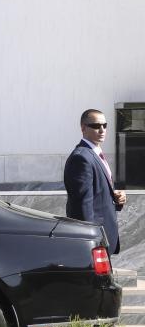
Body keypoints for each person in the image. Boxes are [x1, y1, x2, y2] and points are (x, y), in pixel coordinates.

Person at [64, 109, 127, 255]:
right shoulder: (81, 158)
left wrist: (116, 197)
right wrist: (92, 242)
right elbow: (82, 206)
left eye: (105, 125)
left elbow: (98, 193)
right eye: (95, 125)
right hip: (95, 240)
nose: (102, 130)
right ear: (83, 128)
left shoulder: (94, 154)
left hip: (103, 235)